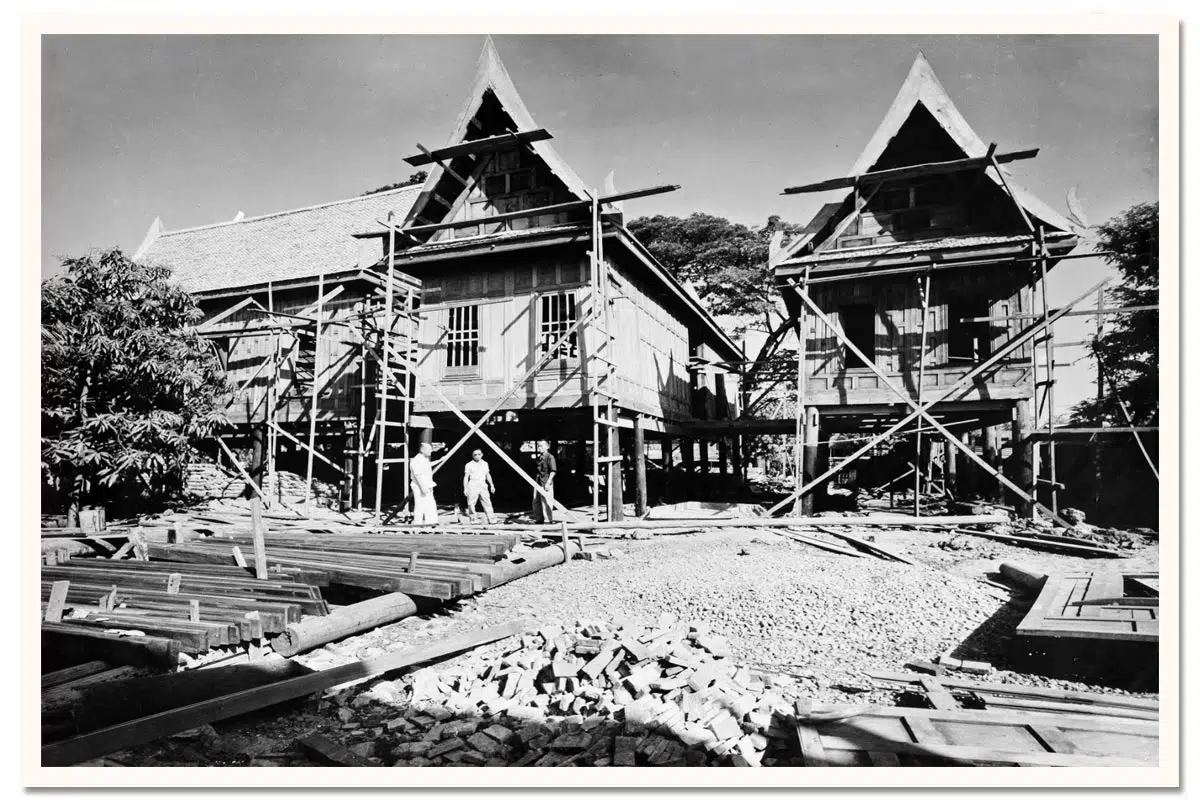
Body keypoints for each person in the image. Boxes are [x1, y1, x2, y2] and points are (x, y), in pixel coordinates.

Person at [462, 448, 496, 524]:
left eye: (479, 454)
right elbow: (466, 477)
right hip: (473, 483)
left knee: (487, 502)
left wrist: (492, 485)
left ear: (482, 455)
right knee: (471, 503)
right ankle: (473, 519)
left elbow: (488, 475)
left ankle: (491, 518)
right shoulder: (469, 465)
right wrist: (465, 488)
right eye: (475, 454)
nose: (477, 456)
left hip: (483, 483)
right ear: (472, 456)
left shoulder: (485, 463)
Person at [410, 441, 438, 525]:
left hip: (427, 484)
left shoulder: (424, 459)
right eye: (429, 449)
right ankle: (418, 523)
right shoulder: (417, 460)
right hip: (419, 485)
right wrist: (422, 487)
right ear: (422, 450)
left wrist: (440, 460)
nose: (431, 451)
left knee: (430, 503)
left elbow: (428, 465)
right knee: (420, 504)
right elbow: (417, 475)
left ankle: (431, 522)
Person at [533, 440, 556, 524]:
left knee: (547, 502)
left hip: (546, 482)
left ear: (547, 447)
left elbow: (553, 471)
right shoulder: (539, 458)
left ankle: (548, 520)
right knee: (536, 501)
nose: (539, 448)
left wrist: (548, 482)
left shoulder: (550, 457)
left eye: (541, 446)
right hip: (538, 482)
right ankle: (539, 519)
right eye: (538, 446)